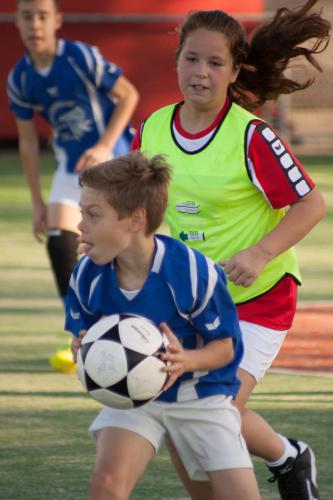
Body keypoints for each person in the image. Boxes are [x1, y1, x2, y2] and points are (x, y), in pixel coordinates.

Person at [131, 2, 330, 499]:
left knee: (213, 410)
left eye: (215, 63)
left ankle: (286, 460)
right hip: (190, 300)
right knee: (183, 412)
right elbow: (141, 208)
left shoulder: (253, 136)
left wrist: (260, 252)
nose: (201, 72)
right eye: (191, 59)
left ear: (234, 70)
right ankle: (288, 457)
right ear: (176, 60)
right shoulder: (154, 128)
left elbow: (311, 203)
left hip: (260, 298)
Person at [65, 151, 261, 500]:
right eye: (82, 213)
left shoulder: (191, 271)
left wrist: (186, 360)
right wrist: (84, 350)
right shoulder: (87, 275)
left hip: (200, 394)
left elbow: (225, 348)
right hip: (134, 396)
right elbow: (83, 339)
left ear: (135, 220)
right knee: (106, 485)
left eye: (93, 215)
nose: (81, 225)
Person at [7, 0, 139, 371]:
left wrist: (102, 145)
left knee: (120, 249)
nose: (36, 24)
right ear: (17, 22)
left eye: (43, 16)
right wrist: (37, 204)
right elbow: (29, 143)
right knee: (60, 242)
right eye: (28, 16)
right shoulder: (20, 78)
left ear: (57, 21)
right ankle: (86, 336)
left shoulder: (80, 57)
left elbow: (129, 95)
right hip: (72, 168)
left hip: (112, 158)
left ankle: (134, 332)